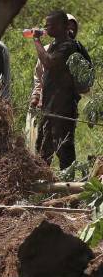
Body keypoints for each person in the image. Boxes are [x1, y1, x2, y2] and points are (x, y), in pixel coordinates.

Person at [33, 11, 83, 169]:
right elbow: (41, 75)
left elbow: (49, 63)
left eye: (50, 25)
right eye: (46, 25)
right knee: (42, 149)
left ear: (63, 26)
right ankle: (43, 188)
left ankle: (68, 186)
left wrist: (36, 40)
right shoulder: (55, 45)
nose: (46, 28)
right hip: (50, 107)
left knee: (64, 149)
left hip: (64, 108)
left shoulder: (68, 46)